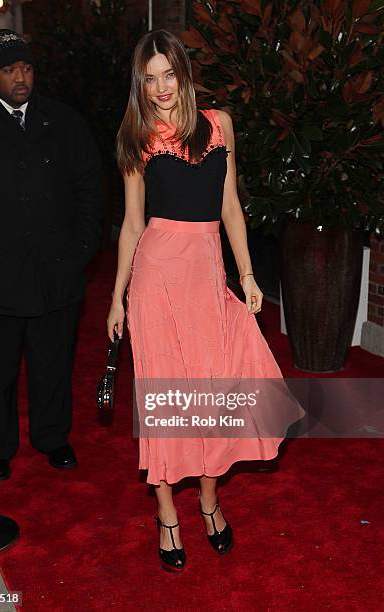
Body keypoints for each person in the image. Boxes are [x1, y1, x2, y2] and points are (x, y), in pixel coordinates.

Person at [108, 29, 304, 572]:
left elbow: (231, 208)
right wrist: (117, 298)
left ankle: (210, 499)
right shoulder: (136, 137)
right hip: (156, 277)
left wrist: (247, 273)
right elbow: (130, 226)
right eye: (149, 80)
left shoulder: (219, 126)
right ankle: (168, 512)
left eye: (168, 74)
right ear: (139, 86)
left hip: (207, 273)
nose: (161, 88)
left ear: (184, 73)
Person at [0, 30, 103, 482]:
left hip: (56, 274)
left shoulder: (63, 121)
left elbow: (91, 190)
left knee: (53, 363)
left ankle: (53, 438)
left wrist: (80, 250)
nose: (20, 77)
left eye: (26, 68)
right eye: (9, 69)